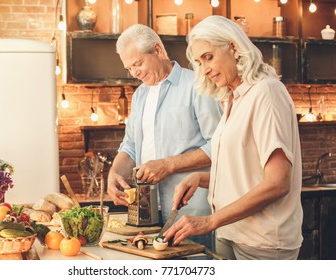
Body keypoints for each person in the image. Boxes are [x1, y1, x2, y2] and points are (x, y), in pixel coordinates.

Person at [164, 15, 303, 260]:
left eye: (208, 57)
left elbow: (278, 182)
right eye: (198, 62)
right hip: (230, 234)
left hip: (263, 242)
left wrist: (209, 221)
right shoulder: (232, 98)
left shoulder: (266, 92)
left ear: (234, 47)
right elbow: (245, 174)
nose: (204, 69)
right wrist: (200, 178)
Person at [107, 24, 223, 248]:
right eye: (129, 68)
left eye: (138, 63)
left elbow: (219, 146)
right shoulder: (139, 95)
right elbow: (130, 146)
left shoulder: (198, 85)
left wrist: (168, 165)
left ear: (158, 50)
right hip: (147, 214)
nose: (135, 73)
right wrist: (114, 173)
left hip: (191, 215)